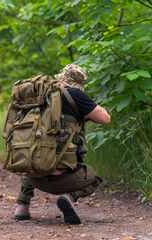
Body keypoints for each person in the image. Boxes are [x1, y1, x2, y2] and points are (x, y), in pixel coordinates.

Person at [14, 64, 111, 224]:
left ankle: (21, 206)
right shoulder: (74, 94)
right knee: (94, 177)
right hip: (63, 180)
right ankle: (68, 197)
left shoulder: (38, 94)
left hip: (33, 176)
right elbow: (105, 118)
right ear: (78, 84)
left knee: (34, 151)